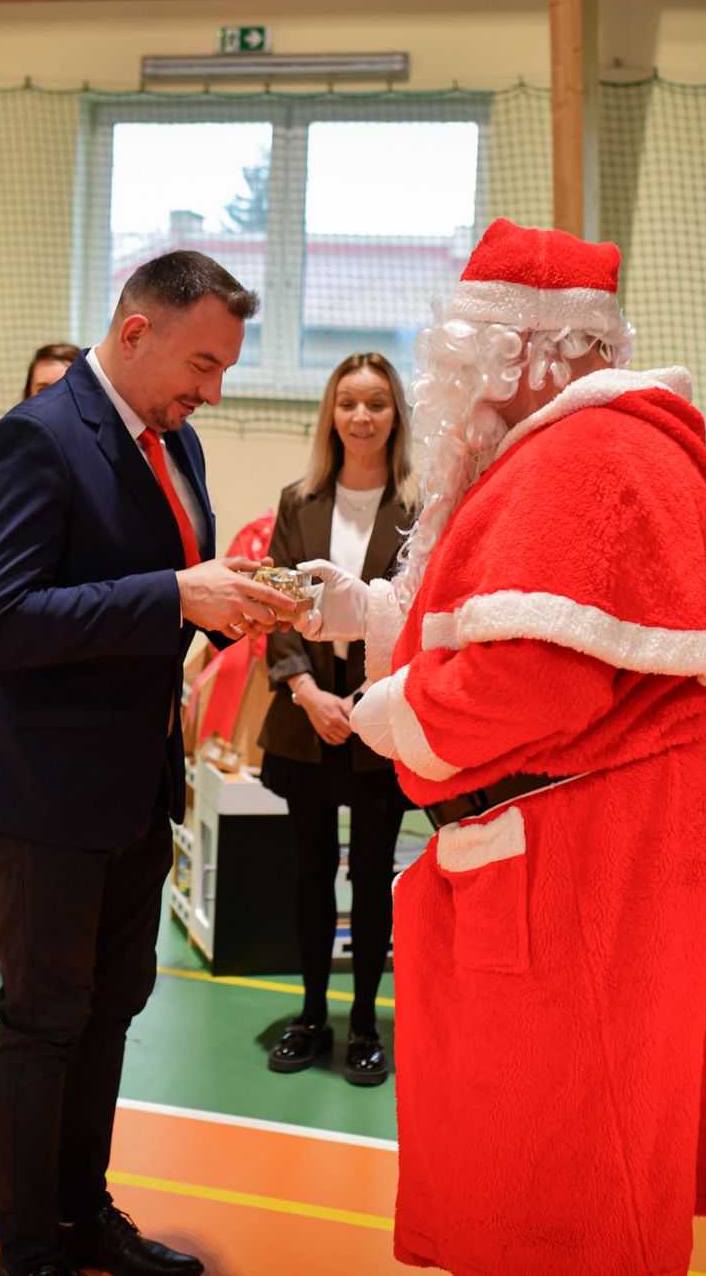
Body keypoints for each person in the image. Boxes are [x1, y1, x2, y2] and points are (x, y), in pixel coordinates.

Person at [300, 220, 706, 1273]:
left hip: (583, 870)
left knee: (566, 1176)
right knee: (575, 1158)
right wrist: (371, 614)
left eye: (466, 354)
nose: (451, 383)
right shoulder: (587, 447)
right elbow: (523, 629)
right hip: (596, 845)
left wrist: (385, 707)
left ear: (530, 353)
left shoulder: (582, 456)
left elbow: (524, 681)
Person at [0, 252, 297, 1276]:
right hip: (45, 786)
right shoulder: (35, 438)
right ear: (135, 332)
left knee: (109, 1008)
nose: (212, 390)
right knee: (46, 1021)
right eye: (202, 363)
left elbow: (161, 584)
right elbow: (5, 620)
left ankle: (81, 1211)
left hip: (135, 780)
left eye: (224, 369)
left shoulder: (171, 438)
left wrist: (240, 604)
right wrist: (176, 594)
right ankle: (29, 1251)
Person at [257, 352, 419, 1087]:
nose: (361, 416)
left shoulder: (421, 505)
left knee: (373, 878)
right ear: (331, 413)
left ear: (396, 415)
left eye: (376, 403)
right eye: (348, 402)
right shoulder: (298, 500)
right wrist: (305, 691)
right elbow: (276, 603)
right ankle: (311, 1014)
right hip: (308, 718)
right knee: (310, 873)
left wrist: (371, 697)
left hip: (380, 722)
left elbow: (420, 612)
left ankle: (363, 1025)